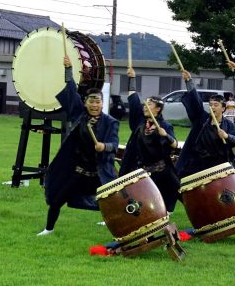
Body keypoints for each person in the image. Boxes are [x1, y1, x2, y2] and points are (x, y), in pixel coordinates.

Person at [38, 55, 119, 236]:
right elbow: (71, 92)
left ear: (102, 103)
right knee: (57, 199)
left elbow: (114, 144)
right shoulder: (79, 115)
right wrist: (68, 69)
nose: (94, 105)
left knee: (112, 202)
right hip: (78, 171)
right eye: (91, 101)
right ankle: (48, 229)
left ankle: (117, 226)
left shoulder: (110, 122)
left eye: (98, 101)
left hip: (99, 172)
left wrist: (103, 147)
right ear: (86, 103)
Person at [119, 66, 180, 213]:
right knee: (125, 191)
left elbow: (175, 144)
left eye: (149, 104)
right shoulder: (139, 122)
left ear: (158, 109)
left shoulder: (165, 125)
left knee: (175, 190)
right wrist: (132, 79)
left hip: (160, 168)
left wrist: (165, 135)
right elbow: (133, 102)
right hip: (139, 167)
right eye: (145, 103)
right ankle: (120, 215)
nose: (145, 106)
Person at [175, 70, 235, 177]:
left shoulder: (228, 125)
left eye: (216, 105)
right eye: (211, 105)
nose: (212, 107)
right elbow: (196, 102)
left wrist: (227, 136)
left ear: (223, 108)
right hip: (197, 165)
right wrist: (189, 82)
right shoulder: (202, 119)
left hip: (218, 167)